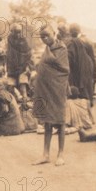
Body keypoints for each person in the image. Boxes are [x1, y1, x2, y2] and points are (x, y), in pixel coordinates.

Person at [32, 26, 70, 166]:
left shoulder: (62, 49)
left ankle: (60, 154)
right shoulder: (47, 50)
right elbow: (45, 65)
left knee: (60, 121)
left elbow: (65, 69)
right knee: (48, 121)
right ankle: (45, 154)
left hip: (57, 88)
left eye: (47, 35)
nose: (44, 38)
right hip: (46, 89)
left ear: (54, 34)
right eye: (42, 36)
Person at [67, 23, 96, 106]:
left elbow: (69, 59)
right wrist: (95, 73)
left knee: (78, 92)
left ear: (69, 32)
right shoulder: (87, 42)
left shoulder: (68, 43)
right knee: (87, 89)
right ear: (79, 31)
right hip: (87, 68)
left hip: (75, 70)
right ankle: (88, 104)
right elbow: (93, 59)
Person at [6, 23, 33, 105]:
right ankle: (13, 105)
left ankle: (25, 104)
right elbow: (9, 53)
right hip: (12, 67)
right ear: (12, 32)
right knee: (10, 87)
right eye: (16, 32)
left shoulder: (23, 39)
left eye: (19, 32)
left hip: (22, 66)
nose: (18, 34)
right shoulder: (9, 38)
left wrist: (27, 65)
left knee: (23, 86)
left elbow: (28, 53)